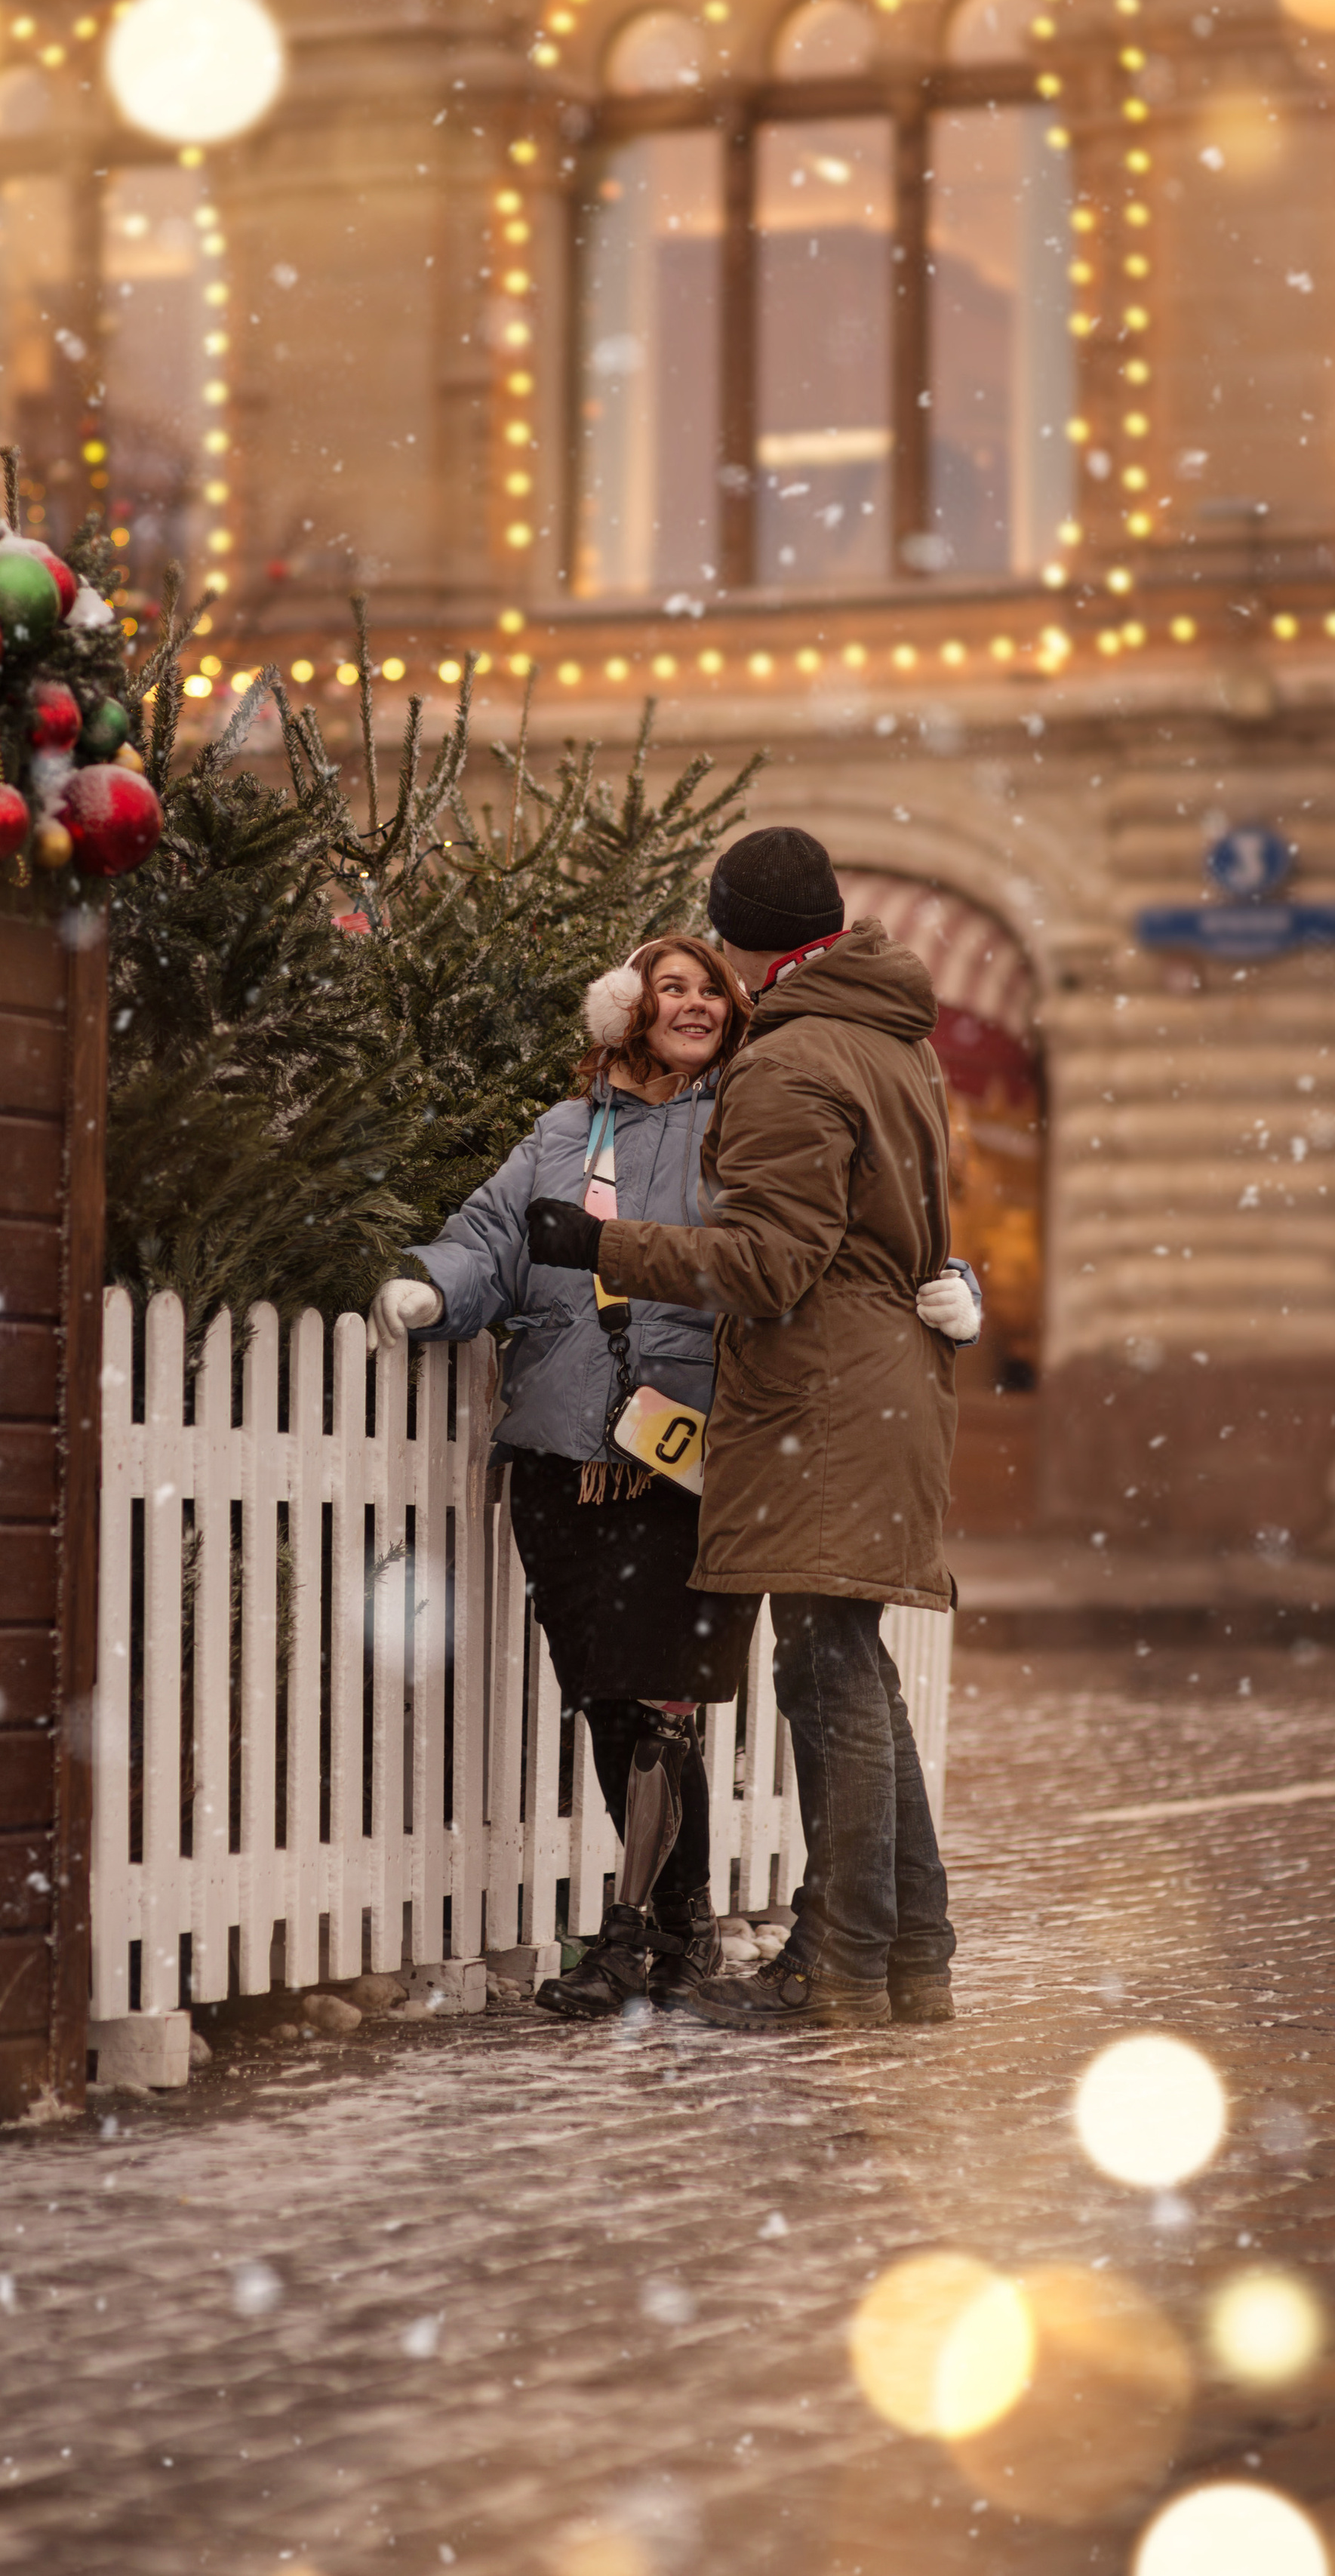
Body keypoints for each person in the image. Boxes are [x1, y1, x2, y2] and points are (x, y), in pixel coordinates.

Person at [526, 827, 982, 2033]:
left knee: (824, 1672)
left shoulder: (790, 1063)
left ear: (738, 939)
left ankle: (833, 1964)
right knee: (857, 1669)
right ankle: (910, 1955)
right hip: (884, 1384)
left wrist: (604, 1244)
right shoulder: (896, 1044)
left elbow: (771, 1264)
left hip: (819, 1394)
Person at [368, 936, 763, 2017]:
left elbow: (810, 1235)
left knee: (661, 1704)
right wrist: (431, 1291)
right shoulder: (561, 1135)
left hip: (680, 1453)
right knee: (606, 1702)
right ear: (626, 1012)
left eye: (709, 990)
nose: (692, 1004)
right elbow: (490, 1240)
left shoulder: (743, 1124)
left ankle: (632, 1938)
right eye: (668, 988)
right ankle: (682, 1934)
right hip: (559, 1452)